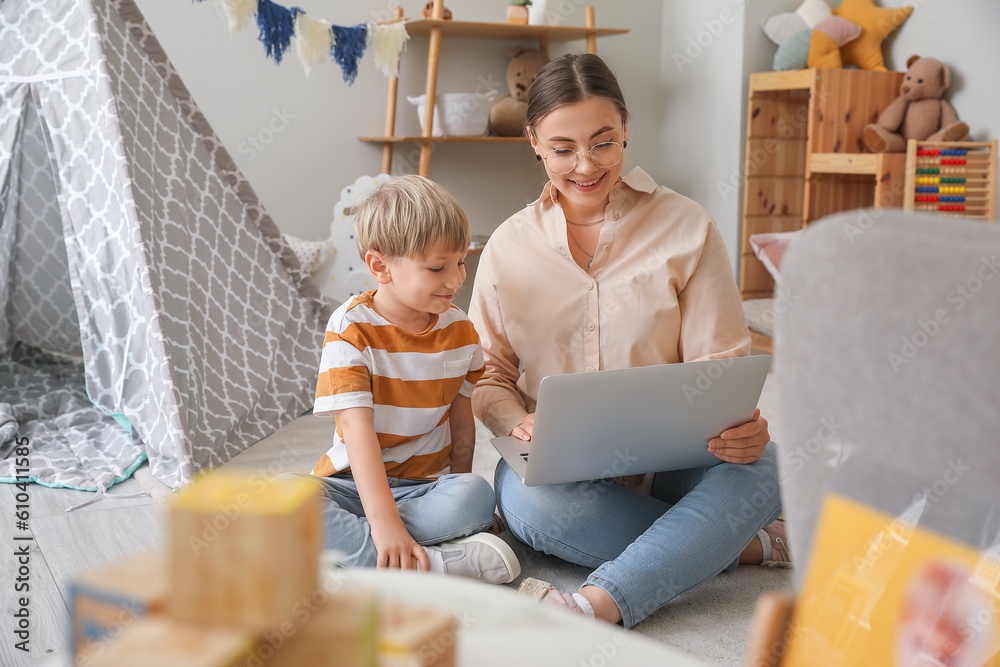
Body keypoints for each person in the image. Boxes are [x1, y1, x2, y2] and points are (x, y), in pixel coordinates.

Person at [469, 54, 787, 627]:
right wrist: (517, 421)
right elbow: (489, 376)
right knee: (526, 502)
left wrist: (742, 431)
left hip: (677, 462)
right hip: (563, 473)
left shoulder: (688, 226)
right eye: (563, 149)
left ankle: (601, 602)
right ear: (534, 141)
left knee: (768, 467)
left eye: (603, 142)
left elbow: (718, 367)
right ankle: (742, 543)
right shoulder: (506, 247)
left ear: (625, 130)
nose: (586, 165)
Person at [283, 175, 519, 584]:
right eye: (437, 268)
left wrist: (465, 500)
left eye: (461, 262)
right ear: (380, 266)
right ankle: (434, 564)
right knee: (280, 497)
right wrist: (385, 524)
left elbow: (462, 426)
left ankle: (363, 552)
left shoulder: (461, 331)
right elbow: (357, 433)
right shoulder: (350, 329)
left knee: (476, 494)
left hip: (423, 489)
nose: (456, 280)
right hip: (354, 486)